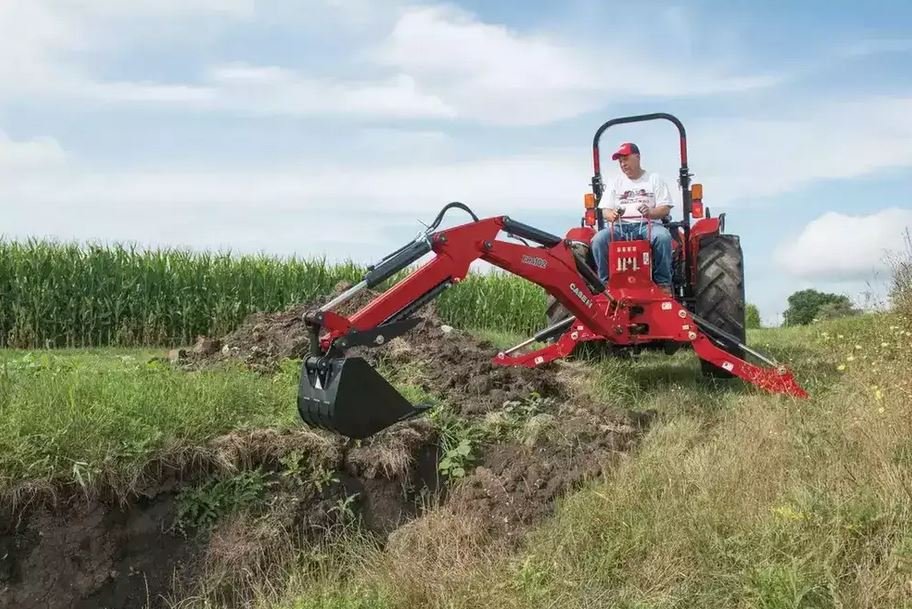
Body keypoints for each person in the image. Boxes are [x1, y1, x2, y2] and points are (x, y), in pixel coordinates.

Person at [590, 142, 674, 293]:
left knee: (663, 237)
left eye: (626, 159)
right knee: (598, 240)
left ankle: (662, 284)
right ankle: (605, 285)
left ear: (637, 157)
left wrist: (650, 212)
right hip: (620, 227)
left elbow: (665, 208)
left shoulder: (654, 179)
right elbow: (605, 211)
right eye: (620, 161)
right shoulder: (615, 182)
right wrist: (612, 214)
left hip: (648, 225)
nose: (623, 164)